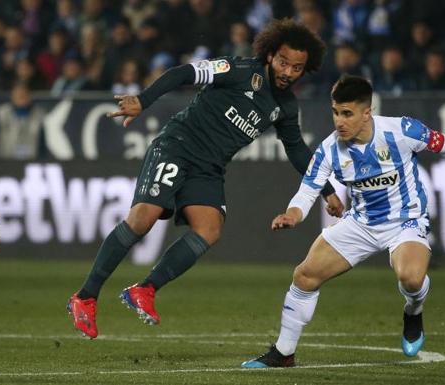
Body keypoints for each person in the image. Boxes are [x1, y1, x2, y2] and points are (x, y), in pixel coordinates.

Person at [67, 18, 344, 339]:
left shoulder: (284, 105)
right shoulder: (240, 70)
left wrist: (325, 190)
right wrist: (143, 100)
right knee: (142, 219)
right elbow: (183, 72)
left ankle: (144, 289)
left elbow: (297, 150)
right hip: (178, 146)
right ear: (270, 55)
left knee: (210, 229)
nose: (287, 72)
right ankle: (85, 296)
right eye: (283, 62)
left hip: (209, 167)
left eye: (297, 68)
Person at [241, 75, 445, 368]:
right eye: (335, 112)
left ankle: (413, 311)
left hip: (405, 222)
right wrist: (292, 215)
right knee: (305, 275)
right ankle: (284, 353)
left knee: (411, 278)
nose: (339, 122)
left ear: (367, 112)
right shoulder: (329, 149)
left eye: (347, 113)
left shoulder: (401, 131)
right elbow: (308, 190)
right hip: (360, 224)